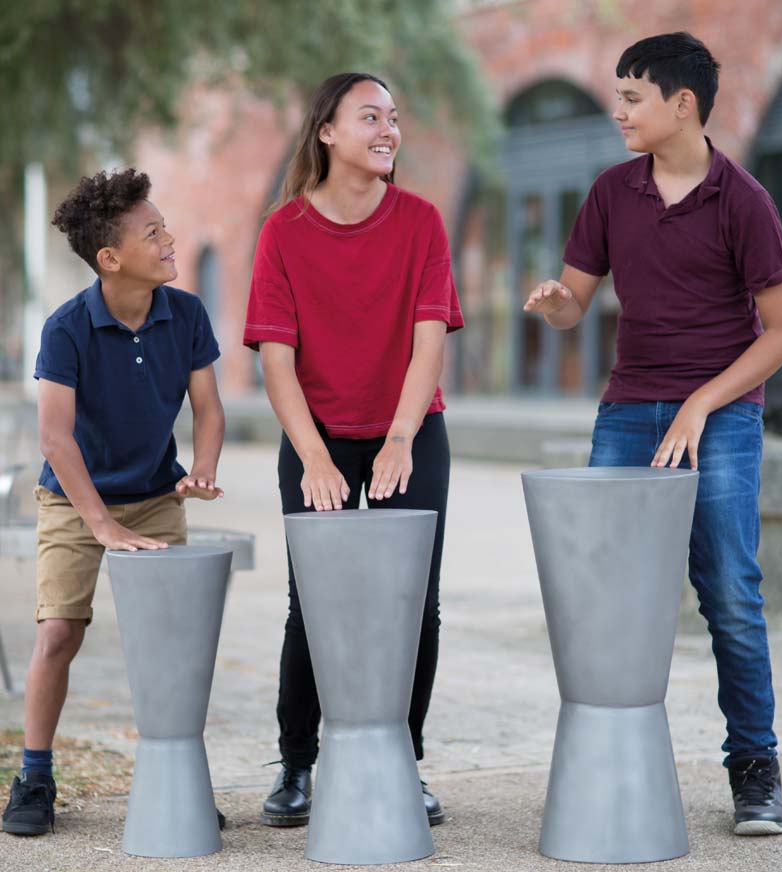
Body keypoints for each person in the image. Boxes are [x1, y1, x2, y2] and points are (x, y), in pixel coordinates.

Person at [524, 32, 782, 836]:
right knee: (601, 594)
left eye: (632, 97)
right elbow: (578, 300)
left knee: (730, 595)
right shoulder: (612, 192)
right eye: (617, 96)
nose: (618, 111)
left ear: (683, 103)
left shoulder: (743, 198)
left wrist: (700, 406)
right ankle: (609, 758)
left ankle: (755, 770)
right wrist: (556, 304)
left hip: (720, 417)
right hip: (626, 411)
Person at [244, 72, 463, 828]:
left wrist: (401, 436)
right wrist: (312, 456)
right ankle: (298, 764)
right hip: (317, 434)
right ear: (327, 133)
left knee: (414, 608)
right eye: (370, 116)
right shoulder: (283, 232)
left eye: (394, 118)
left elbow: (429, 338)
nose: (388, 130)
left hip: (409, 425)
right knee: (316, 607)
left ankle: (401, 757)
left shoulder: (422, 222)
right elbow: (275, 359)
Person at [1, 169, 225, 836]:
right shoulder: (67, 328)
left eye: (164, 226)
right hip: (73, 500)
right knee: (59, 631)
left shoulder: (185, 313)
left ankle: (177, 772)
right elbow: (54, 437)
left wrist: (204, 468)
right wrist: (100, 524)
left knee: (170, 644)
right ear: (110, 257)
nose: (169, 238)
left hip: (157, 496)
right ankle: (35, 775)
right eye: (152, 232)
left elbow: (208, 409)